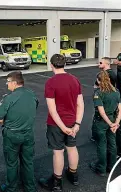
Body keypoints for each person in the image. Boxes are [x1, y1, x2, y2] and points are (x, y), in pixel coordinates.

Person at [39, 54, 84, 191]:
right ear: (65, 64)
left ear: (51, 64)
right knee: (72, 148)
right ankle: (73, 175)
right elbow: (80, 104)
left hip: (56, 124)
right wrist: (77, 124)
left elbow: (52, 110)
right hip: (72, 122)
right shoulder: (75, 80)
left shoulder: (51, 83)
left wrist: (63, 127)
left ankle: (57, 182)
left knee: (58, 152)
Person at [0, 72, 39, 192]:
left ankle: (11, 188)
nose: (7, 85)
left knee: (12, 162)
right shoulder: (31, 94)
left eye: (8, 82)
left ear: (14, 83)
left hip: (12, 135)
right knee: (28, 161)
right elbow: (34, 106)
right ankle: (30, 187)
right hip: (28, 133)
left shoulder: (9, 98)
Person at [89, 71, 121, 176]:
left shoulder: (98, 93)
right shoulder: (116, 91)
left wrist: (110, 124)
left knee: (102, 145)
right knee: (112, 144)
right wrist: (116, 123)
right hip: (113, 119)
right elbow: (120, 109)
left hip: (102, 122)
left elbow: (102, 112)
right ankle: (111, 166)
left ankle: (101, 168)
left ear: (99, 81)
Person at [91, 57, 117, 142]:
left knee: (101, 116)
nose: (99, 64)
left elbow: (111, 88)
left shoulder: (110, 74)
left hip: (105, 100)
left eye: (101, 63)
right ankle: (97, 135)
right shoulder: (104, 73)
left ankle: (101, 136)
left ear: (107, 64)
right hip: (103, 98)